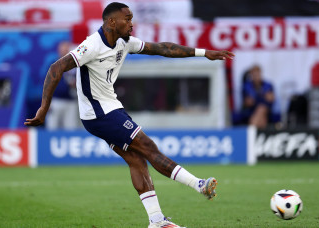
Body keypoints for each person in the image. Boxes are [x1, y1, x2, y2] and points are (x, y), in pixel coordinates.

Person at [24, 2, 234, 228]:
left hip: (110, 109)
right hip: (99, 114)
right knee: (148, 146)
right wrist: (44, 108)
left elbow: (163, 48)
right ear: (111, 22)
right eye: (128, 18)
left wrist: (204, 53)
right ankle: (198, 185)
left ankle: (156, 221)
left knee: (136, 158)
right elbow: (56, 68)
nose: (132, 24)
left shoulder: (125, 42)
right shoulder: (92, 45)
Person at [45, 41, 80, 130]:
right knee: (52, 127)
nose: (64, 51)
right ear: (59, 50)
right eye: (62, 49)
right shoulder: (53, 65)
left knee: (71, 129)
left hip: (71, 101)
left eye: (66, 49)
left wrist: (76, 84)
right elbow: (46, 84)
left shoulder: (75, 65)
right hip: (56, 101)